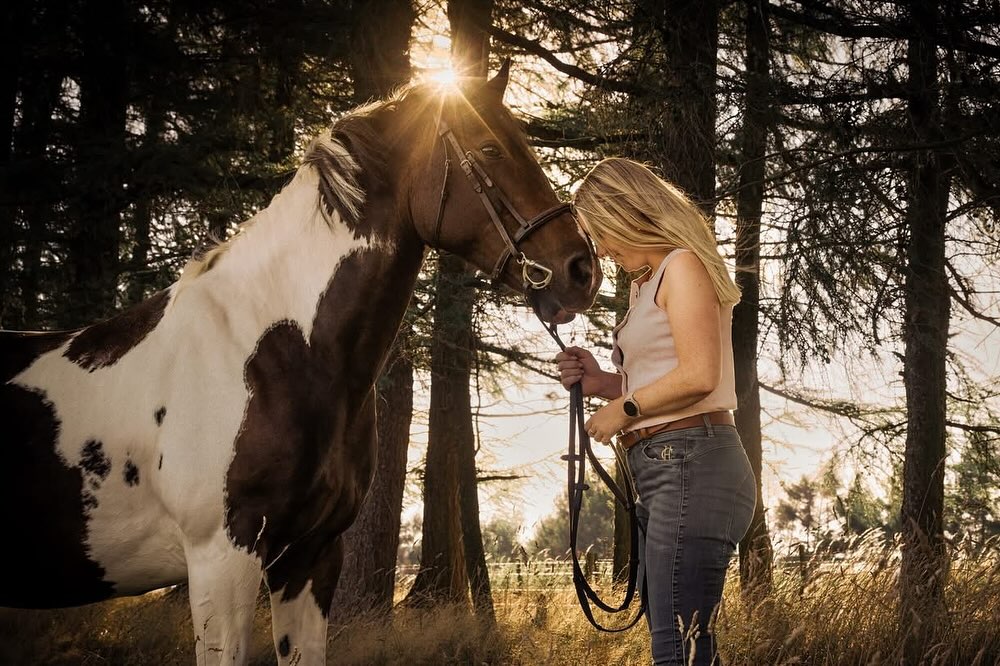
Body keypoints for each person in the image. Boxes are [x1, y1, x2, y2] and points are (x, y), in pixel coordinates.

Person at [556, 158, 756, 666]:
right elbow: (660, 375)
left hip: (692, 461)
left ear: (626, 213)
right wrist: (601, 379)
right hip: (669, 466)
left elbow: (699, 376)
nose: (600, 249)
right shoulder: (644, 283)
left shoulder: (682, 264)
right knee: (678, 639)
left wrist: (622, 409)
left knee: (678, 645)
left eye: (601, 233)